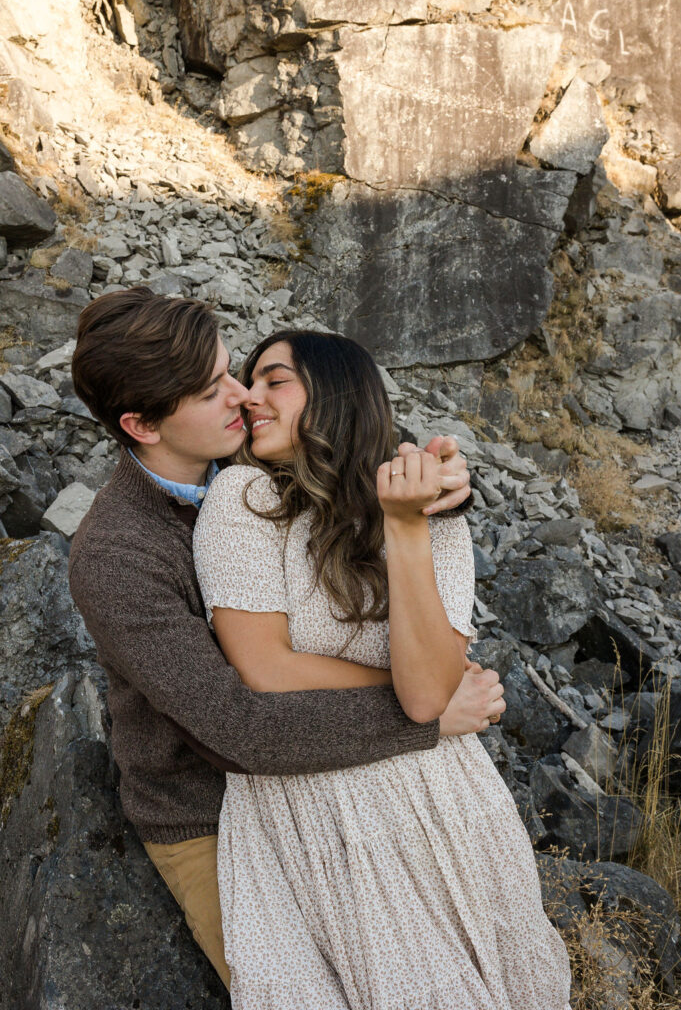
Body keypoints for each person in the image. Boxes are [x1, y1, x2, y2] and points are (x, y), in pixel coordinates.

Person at [68, 286, 505, 991]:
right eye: (212, 391)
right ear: (142, 425)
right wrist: (425, 711)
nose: (243, 396)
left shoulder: (253, 457)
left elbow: (346, 444)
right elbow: (238, 728)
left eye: (232, 370)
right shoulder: (117, 555)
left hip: (343, 774)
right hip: (208, 806)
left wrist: (444, 480)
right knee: (298, 988)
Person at [193, 330, 572, 1010]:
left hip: (447, 800)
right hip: (321, 804)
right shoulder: (244, 497)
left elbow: (426, 692)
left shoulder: (434, 511)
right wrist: (431, 695)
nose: (249, 396)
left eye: (275, 380)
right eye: (251, 380)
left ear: (336, 393)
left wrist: (404, 525)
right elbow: (265, 670)